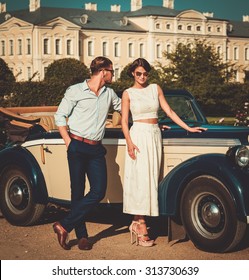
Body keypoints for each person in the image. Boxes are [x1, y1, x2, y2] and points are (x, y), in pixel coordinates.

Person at [121, 58, 207, 247]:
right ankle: (140, 223)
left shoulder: (155, 88)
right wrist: (129, 143)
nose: (142, 77)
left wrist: (189, 128)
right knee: (141, 179)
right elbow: (124, 121)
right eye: (138, 73)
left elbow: (169, 111)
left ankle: (138, 222)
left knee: (152, 178)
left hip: (154, 135)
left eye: (145, 73)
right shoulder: (128, 94)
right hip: (138, 137)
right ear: (132, 74)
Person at [53, 56, 121, 250]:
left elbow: (123, 108)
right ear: (103, 72)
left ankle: (63, 225)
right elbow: (60, 116)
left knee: (98, 190)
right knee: (77, 191)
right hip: (76, 145)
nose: (113, 74)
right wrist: (68, 142)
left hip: (96, 148)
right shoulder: (75, 90)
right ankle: (82, 236)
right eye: (112, 71)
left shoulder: (109, 93)